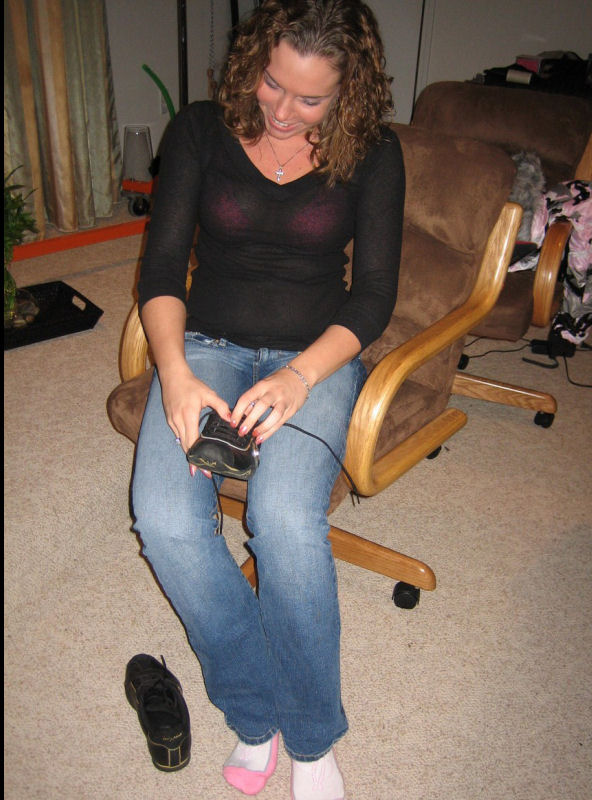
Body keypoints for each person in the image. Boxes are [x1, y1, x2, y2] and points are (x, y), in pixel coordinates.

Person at [130, 1, 404, 797]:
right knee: (164, 519)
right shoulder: (199, 129)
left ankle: (312, 738)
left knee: (283, 520)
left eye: (310, 99)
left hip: (314, 358)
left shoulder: (374, 150)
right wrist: (176, 375)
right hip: (206, 347)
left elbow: (375, 295)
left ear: (348, 93)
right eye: (272, 83)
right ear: (254, 60)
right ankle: (254, 712)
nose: (282, 111)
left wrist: (298, 377)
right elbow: (162, 267)